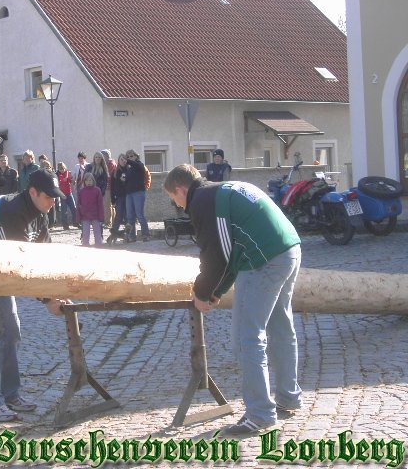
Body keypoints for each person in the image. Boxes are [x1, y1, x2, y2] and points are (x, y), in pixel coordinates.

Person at [163, 164, 303, 436]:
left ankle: (260, 414)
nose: (178, 205)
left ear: (180, 189)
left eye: (174, 199)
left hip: (263, 259)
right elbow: (230, 250)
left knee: (247, 337)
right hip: (289, 249)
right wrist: (217, 290)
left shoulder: (201, 201)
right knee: (281, 328)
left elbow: (217, 255)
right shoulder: (219, 190)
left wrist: (202, 293)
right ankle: (289, 396)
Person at [0, 169, 70, 422]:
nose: (53, 201)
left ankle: (10, 395)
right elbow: (23, 269)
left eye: (55, 197)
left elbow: (44, 259)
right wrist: (47, 300)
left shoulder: (41, 214)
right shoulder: (12, 212)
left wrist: (59, 292)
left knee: (11, 331)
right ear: (32, 192)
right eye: (49, 196)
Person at [124, 150, 151, 242]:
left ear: (136, 156)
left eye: (131, 156)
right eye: (128, 157)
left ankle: (146, 235)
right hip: (129, 194)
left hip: (138, 192)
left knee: (140, 214)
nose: (129, 158)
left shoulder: (139, 165)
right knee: (130, 216)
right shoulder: (129, 168)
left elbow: (138, 166)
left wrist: (127, 161)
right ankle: (132, 236)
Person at [77, 172, 104, 246]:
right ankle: (85, 247)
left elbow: (100, 205)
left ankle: (99, 247)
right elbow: (79, 205)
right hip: (85, 216)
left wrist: (101, 217)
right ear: (84, 181)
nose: (89, 182)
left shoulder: (97, 190)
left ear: (93, 181)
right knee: (85, 234)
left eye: (90, 180)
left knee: (97, 234)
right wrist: (79, 217)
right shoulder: (81, 191)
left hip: (96, 216)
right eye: (87, 180)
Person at [109, 153, 128, 239]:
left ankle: (129, 235)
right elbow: (112, 187)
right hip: (119, 197)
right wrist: (113, 199)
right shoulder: (115, 172)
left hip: (128, 196)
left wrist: (125, 181)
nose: (123, 161)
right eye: (121, 159)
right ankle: (113, 232)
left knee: (128, 216)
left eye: (124, 159)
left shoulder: (129, 170)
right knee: (119, 215)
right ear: (118, 161)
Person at [56, 162, 77, 230]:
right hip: (62, 194)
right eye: (60, 169)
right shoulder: (57, 174)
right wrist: (61, 180)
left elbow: (72, 181)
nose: (62, 170)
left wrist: (71, 179)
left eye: (63, 168)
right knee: (64, 210)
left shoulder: (68, 173)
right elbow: (57, 183)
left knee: (73, 208)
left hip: (69, 193)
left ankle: (75, 222)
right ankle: (65, 225)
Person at [101, 149, 117, 228]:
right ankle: (113, 222)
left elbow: (108, 176)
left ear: (107, 156)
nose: (101, 157)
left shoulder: (110, 163)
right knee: (110, 205)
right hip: (108, 186)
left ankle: (108, 222)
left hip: (109, 186)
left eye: (103, 155)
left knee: (107, 205)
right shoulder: (107, 163)